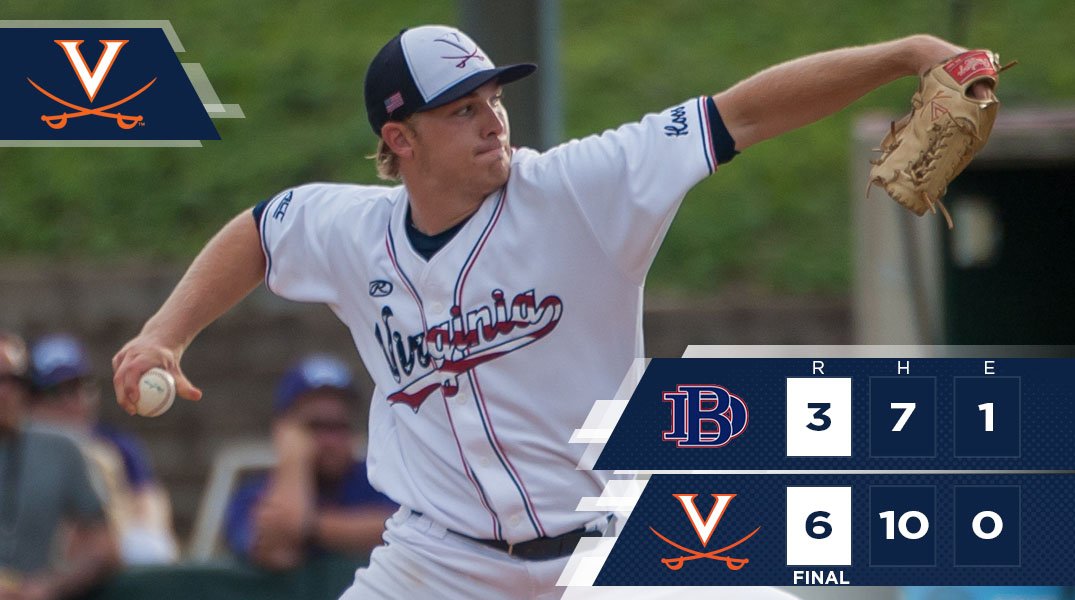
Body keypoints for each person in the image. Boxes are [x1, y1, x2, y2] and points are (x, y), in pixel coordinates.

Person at [111, 25, 990, 599]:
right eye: (462, 109)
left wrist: (901, 54)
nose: (492, 119)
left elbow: (741, 116)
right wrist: (165, 332)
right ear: (398, 142)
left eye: (492, 97)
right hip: (441, 559)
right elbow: (262, 231)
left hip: (618, 538)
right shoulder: (349, 230)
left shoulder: (579, 186)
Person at [223, 354, 396, 570]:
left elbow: (405, 532)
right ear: (284, 431)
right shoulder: (255, 491)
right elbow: (275, 552)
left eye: (339, 426)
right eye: (316, 426)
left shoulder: (377, 480)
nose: (330, 440)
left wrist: (309, 527)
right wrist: (294, 462)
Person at [28, 334, 179, 566]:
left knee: (150, 549)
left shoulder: (117, 444)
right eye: (58, 392)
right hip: (43, 566)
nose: (75, 400)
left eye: (82, 386)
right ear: (32, 402)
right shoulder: (19, 451)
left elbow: (151, 509)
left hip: (111, 558)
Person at [1, 331, 119, 600]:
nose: (5, 392)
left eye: (14, 380)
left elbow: (103, 546)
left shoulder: (62, 448)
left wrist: (50, 586)